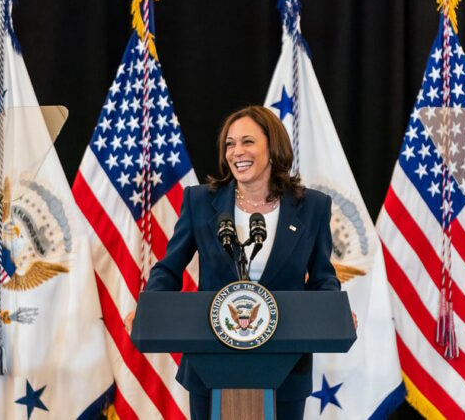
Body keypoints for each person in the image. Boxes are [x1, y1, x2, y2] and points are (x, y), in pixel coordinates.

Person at [128, 105, 345, 419]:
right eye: (229, 144)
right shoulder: (200, 202)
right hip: (211, 365)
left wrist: (334, 312)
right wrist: (148, 309)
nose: (236, 152)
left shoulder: (311, 207)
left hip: (284, 368)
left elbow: (324, 278)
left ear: (273, 148)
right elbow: (169, 268)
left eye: (247, 142)